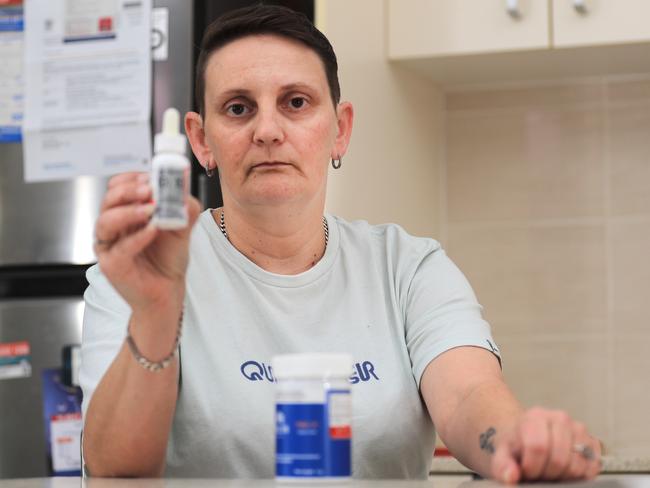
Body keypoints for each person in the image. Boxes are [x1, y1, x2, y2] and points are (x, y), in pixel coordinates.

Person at [80, 4, 602, 482]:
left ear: (340, 129)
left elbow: (469, 397)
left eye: (296, 102)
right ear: (200, 140)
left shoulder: (408, 268)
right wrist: (155, 307)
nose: (267, 130)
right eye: (238, 108)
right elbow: (113, 469)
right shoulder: (140, 270)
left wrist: (515, 441)